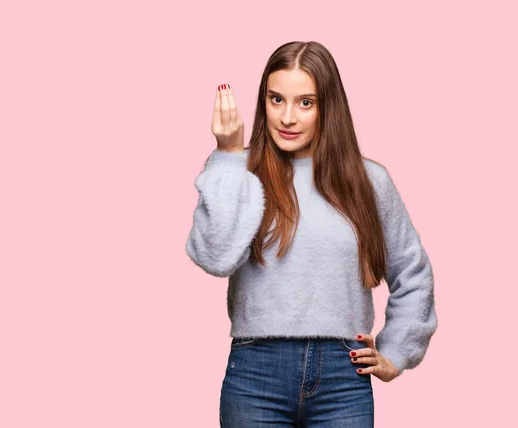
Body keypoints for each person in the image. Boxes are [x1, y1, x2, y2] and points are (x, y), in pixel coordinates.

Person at [185, 41, 438, 427]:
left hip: (343, 377)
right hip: (256, 374)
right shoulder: (239, 173)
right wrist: (227, 155)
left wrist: (396, 353)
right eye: (276, 99)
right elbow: (215, 256)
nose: (288, 117)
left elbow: (412, 271)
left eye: (306, 102)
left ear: (328, 107)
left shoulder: (369, 181)